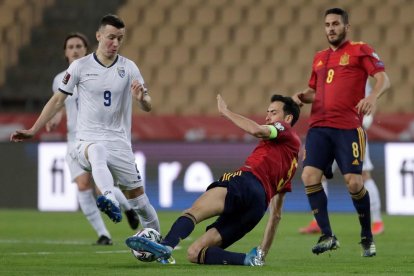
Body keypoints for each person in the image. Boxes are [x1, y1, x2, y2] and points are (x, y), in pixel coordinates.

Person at [11, 14, 160, 233]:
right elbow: (57, 100)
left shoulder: (129, 68)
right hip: (86, 140)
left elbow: (148, 104)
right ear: (99, 36)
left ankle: (161, 242)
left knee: (140, 202)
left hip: (119, 143)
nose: (115, 43)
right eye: (111, 37)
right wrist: (34, 129)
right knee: (96, 150)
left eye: (120, 38)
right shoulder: (79, 67)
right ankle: (109, 199)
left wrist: (142, 100)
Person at [126, 94, 301, 266]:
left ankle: (165, 246)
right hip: (257, 207)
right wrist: (263, 251)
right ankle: (250, 259)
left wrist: (226, 112)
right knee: (195, 253)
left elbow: (257, 130)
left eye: (273, 112)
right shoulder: (291, 165)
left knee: (193, 212)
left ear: (288, 118)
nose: (267, 116)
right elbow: (276, 215)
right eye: (267, 112)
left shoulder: (284, 129)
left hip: (246, 183)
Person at [292, 8, 390, 257]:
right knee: (309, 176)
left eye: (335, 24)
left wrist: (372, 95)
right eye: (327, 25)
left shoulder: (360, 50)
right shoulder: (319, 58)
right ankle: (327, 235)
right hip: (319, 127)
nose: (331, 28)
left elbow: (383, 79)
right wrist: (303, 96)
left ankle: (367, 237)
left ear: (346, 27)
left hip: (348, 128)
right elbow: (315, 91)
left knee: (355, 182)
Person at [45, 32, 140, 245]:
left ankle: (128, 208)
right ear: (65, 52)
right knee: (82, 185)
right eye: (70, 46)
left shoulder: (96, 74)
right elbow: (59, 104)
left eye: (79, 45)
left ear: (86, 49)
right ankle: (104, 234)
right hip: (73, 139)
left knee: (99, 188)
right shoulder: (59, 79)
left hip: (97, 138)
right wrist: (54, 118)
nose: (75, 49)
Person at [299, 82, 384, 236]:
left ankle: (377, 221)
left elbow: (371, 98)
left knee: (363, 176)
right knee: (318, 175)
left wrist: (366, 119)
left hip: (352, 132)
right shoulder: (331, 72)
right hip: (329, 131)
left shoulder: (357, 73)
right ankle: (318, 221)